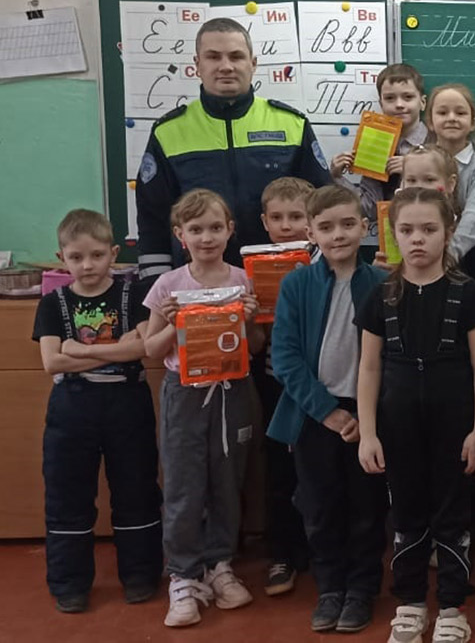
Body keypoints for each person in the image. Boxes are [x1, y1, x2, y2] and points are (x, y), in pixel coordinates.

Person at [357, 187, 475, 643]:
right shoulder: (380, 295)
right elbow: (369, 367)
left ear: (448, 232)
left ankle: (453, 607)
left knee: (453, 514)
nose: (418, 239)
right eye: (407, 230)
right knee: (407, 514)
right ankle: (411, 604)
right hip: (397, 428)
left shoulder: (469, 293)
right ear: (393, 233)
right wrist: (368, 434)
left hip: (455, 426)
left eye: (429, 229)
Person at [266, 185, 389, 634]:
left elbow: (390, 357)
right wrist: (327, 412)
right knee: (319, 507)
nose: (338, 234)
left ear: (365, 227)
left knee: (366, 507)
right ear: (311, 233)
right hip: (315, 415)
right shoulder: (296, 284)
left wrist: (364, 417)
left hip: (366, 416)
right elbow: (285, 358)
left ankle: (361, 589)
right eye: (326, 227)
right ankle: (331, 588)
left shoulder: (381, 283)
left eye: (348, 224)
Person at [139, 189, 264, 627]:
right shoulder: (168, 285)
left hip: (232, 389)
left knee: (227, 481)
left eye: (214, 227)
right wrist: (174, 323)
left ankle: (219, 564)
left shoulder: (243, 279)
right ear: (180, 235)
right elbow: (151, 349)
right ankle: (183, 575)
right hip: (185, 392)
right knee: (184, 484)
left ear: (230, 230)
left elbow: (257, 346)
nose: (206, 237)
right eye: (196, 229)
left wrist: (250, 320)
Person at [33, 210, 162, 614]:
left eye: (96, 255)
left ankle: (140, 575)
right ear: (62, 258)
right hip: (72, 407)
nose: (87, 265)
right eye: (76, 257)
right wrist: (118, 349)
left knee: (137, 488)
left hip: (127, 402)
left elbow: (144, 348)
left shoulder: (135, 295)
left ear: (114, 253)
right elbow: (52, 362)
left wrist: (78, 349)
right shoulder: (52, 304)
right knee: (67, 495)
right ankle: (70, 583)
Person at [135, 17, 331, 279]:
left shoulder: (292, 124)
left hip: (285, 281)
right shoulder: (168, 131)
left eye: (236, 56)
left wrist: (326, 273)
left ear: (253, 63)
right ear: (197, 65)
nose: (226, 66)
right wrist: (155, 283)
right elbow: (153, 218)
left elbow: (323, 204)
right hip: (198, 285)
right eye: (213, 57)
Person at [252, 177, 313, 596]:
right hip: (276, 381)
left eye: (296, 216)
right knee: (280, 472)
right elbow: (255, 344)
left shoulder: (326, 264)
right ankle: (282, 554)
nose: (287, 225)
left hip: (322, 385)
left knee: (321, 472)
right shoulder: (252, 269)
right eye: (277, 217)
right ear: (264, 222)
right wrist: (251, 314)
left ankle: (320, 550)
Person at [330, 63, 429, 243]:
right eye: (390, 98)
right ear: (381, 104)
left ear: (422, 102)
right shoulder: (375, 144)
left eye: (408, 97)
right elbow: (369, 209)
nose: (399, 105)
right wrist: (337, 178)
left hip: (430, 237)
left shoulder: (437, 142)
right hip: (391, 242)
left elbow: (448, 199)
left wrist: (414, 170)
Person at [426, 83, 475, 289]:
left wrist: (446, 258)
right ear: (430, 122)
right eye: (442, 112)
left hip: (470, 261)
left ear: (472, 123)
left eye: (460, 113)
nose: (451, 118)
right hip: (423, 255)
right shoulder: (418, 162)